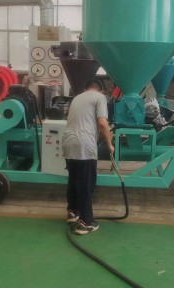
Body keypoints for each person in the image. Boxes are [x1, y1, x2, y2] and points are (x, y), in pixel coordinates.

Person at [62, 79, 114, 235]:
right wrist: (109, 144)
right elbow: (103, 123)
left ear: (86, 89)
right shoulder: (100, 97)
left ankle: (73, 212)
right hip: (83, 144)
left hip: (68, 142)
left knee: (74, 179)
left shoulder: (77, 98)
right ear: (100, 90)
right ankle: (86, 222)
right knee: (86, 183)